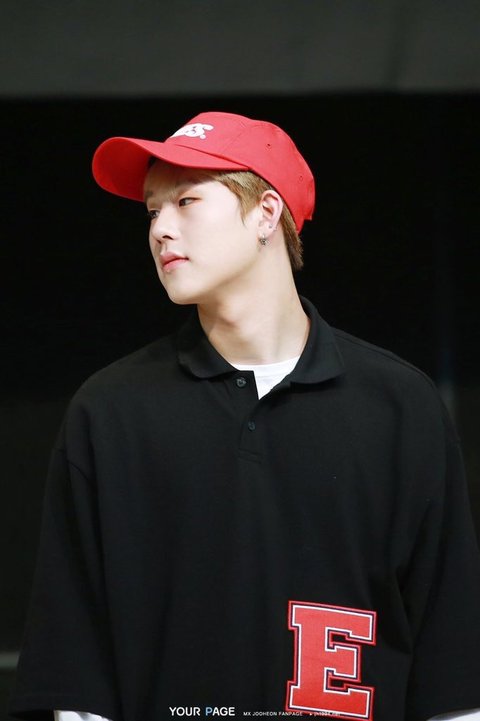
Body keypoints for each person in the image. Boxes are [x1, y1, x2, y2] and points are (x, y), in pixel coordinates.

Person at [9, 111, 480, 721]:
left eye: (186, 201)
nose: (161, 229)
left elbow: (451, 660)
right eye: (152, 212)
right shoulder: (110, 411)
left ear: (266, 213)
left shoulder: (399, 405)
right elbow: (73, 663)